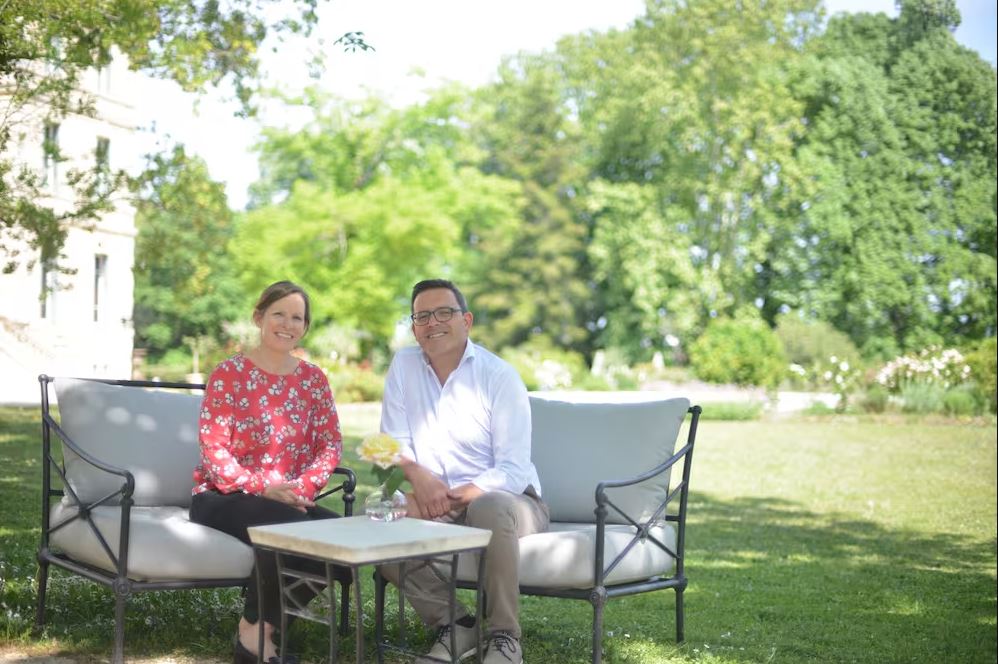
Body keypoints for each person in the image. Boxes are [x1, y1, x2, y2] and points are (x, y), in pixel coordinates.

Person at [379, 278, 549, 664]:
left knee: (487, 506)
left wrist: (456, 495)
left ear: (466, 320)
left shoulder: (498, 375)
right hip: (438, 502)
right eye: (422, 315)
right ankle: (455, 624)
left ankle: (505, 637)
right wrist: (419, 481)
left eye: (444, 312)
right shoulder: (404, 365)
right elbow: (393, 444)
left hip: (510, 503)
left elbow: (514, 467)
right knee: (377, 519)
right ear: (413, 326)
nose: (432, 322)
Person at [189, 280, 344, 664]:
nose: (288, 324)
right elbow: (214, 449)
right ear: (259, 317)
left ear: (305, 327)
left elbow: (330, 444)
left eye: (297, 318)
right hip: (222, 496)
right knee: (285, 531)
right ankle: (257, 635)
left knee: (345, 549)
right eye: (279, 314)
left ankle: (258, 627)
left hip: (289, 500)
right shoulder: (229, 374)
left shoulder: (314, 380)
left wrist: (300, 487)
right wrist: (265, 487)